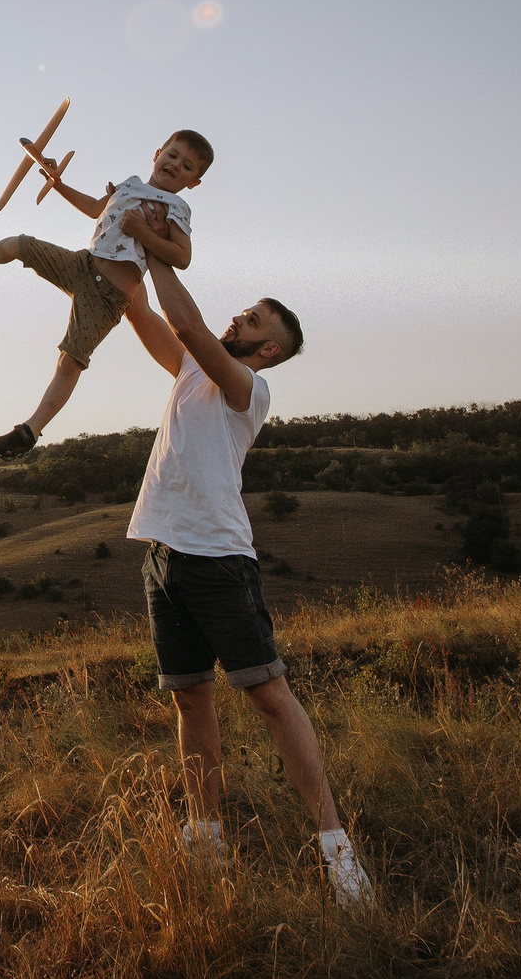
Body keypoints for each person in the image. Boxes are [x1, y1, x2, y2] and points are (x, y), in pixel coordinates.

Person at [112, 206, 372, 906]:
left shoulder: (249, 387)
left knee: (267, 695)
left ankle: (338, 853)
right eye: (248, 310)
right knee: (191, 702)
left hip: (219, 559)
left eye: (257, 321)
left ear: (269, 351)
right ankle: (206, 843)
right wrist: (114, 240)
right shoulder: (191, 370)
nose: (242, 318)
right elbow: (144, 314)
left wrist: (155, 246)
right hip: (164, 557)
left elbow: (191, 324)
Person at [0, 129, 211, 458]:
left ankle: (30, 430)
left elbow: (182, 257)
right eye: (172, 155)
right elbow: (95, 208)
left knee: (70, 359)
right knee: (19, 244)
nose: (175, 165)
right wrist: (57, 184)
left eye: (187, 167)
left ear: (193, 182)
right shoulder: (129, 185)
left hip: (109, 296)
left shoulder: (176, 206)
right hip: (81, 263)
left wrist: (142, 232)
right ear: (157, 153)